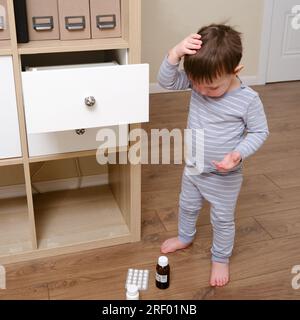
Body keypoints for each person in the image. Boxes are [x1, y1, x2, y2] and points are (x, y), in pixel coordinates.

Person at [157, 24, 269, 287]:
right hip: (194, 166)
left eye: (212, 88)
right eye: (196, 84)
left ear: (235, 72)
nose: (202, 92)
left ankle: (220, 257)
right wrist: (175, 53)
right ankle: (185, 237)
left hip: (224, 175)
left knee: (221, 218)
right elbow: (166, 81)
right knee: (187, 205)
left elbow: (259, 131)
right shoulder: (200, 80)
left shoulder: (248, 100)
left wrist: (238, 154)